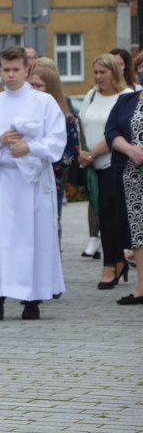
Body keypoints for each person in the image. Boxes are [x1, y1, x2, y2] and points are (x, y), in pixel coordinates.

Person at [0, 47, 66, 321]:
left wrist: (30, 147)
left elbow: (57, 140)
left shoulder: (44, 102)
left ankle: (32, 299)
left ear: (27, 70)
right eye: (6, 69)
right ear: (0, 70)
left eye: (15, 70)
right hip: (4, 180)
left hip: (32, 181)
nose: (10, 75)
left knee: (33, 237)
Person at [77, 54, 133, 287]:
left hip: (114, 163)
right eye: (96, 72)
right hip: (91, 165)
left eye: (103, 72)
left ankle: (111, 263)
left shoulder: (126, 97)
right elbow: (83, 123)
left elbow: (119, 130)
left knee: (110, 215)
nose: (99, 77)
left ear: (115, 72)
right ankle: (117, 259)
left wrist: (92, 154)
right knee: (102, 213)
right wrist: (82, 151)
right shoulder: (90, 95)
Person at [28, 63, 79, 236]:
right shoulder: (22, 111)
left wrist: (51, 162)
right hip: (24, 175)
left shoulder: (64, 116)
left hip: (51, 176)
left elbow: (71, 152)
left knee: (50, 221)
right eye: (32, 85)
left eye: (39, 86)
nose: (35, 89)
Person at [103, 86, 143, 305]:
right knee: (138, 230)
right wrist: (130, 150)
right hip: (131, 174)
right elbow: (111, 130)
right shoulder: (126, 100)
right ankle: (141, 287)